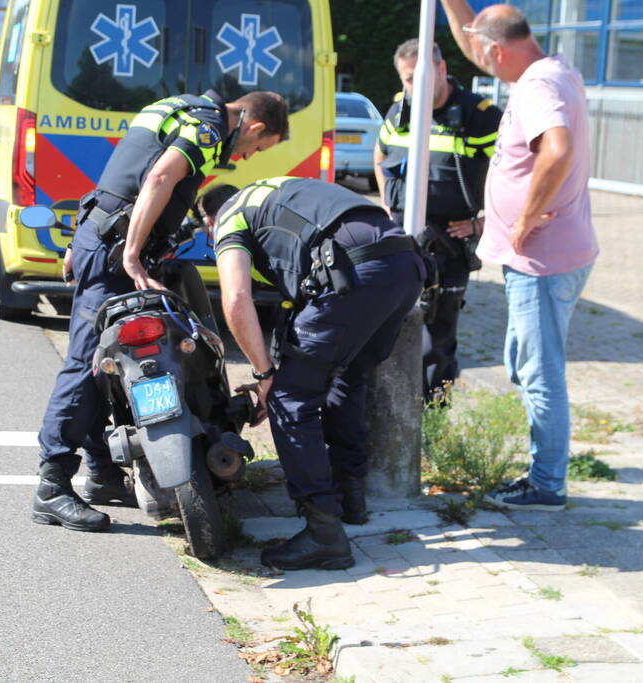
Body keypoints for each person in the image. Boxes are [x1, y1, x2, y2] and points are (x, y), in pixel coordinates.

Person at [32, 90, 289, 532]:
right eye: (257, 149)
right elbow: (156, 180)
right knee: (90, 364)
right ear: (255, 127)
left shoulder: (179, 105)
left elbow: (121, 173)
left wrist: (82, 237)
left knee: (107, 370)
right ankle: (52, 485)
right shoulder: (208, 129)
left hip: (101, 233)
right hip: (116, 251)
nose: (246, 158)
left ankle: (103, 472)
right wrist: (131, 253)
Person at [198, 178, 425, 570]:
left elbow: (235, 300)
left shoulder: (230, 218)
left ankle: (323, 532)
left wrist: (265, 374)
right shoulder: (278, 191)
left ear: (209, 221)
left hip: (355, 270)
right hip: (405, 263)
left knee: (288, 400)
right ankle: (350, 498)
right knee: (349, 375)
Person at [437, 1, 599, 510]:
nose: (479, 64)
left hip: (542, 260)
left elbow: (558, 147)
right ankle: (545, 470)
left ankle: (546, 484)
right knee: (523, 363)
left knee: (539, 371)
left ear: (498, 50)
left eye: (484, 56)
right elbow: (474, 41)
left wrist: (526, 219)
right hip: (551, 257)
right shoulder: (551, 68)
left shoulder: (536, 87)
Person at [373, 39, 502, 403]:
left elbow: (519, 176)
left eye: (418, 77)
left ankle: (433, 419)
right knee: (389, 329)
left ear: (442, 69)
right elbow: (380, 154)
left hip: (449, 243)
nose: (411, 87)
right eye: (407, 79)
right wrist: (386, 205)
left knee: (438, 340)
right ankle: (392, 413)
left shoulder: (480, 115)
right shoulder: (401, 109)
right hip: (401, 240)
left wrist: (482, 225)